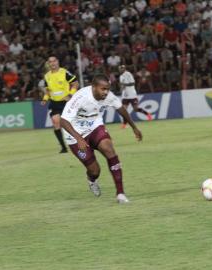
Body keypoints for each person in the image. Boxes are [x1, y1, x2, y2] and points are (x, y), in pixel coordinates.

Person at [60, 74, 143, 204]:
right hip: (75, 135)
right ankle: (91, 180)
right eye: (103, 89)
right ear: (94, 87)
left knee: (109, 149)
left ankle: (120, 193)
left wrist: (134, 127)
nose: (106, 92)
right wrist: (79, 138)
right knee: (95, 171)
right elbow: (63, 121)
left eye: (108, 89)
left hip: (95, 127)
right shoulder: (80, 97)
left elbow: (121, 108)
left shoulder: (108, 96)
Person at [41, 56, 79, 153]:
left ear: (57, 62)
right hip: (54, 102)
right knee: (55, 121)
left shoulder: (64, 72)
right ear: (48, 64)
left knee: (70, 123)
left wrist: (70, 94)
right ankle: (63, 147)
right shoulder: (47, 76)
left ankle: (79, 141)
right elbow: (48, 90)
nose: (52, 63)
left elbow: (75, 83)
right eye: (50, 62)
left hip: (66, 102)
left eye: (54, 61)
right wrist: (45, 99)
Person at [118, 65, 152, 129]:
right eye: (120, 69)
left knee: (135, 109)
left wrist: (124, 84)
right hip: (125, 96)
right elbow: (122, 86)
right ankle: (124, 124)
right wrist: (121, 89)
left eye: (122, 68)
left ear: (124, 69)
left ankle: (147, 114)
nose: (121, 70)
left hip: (132, 95)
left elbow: (133, 83)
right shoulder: (120, 76)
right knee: (124, 110)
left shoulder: (128, 74)